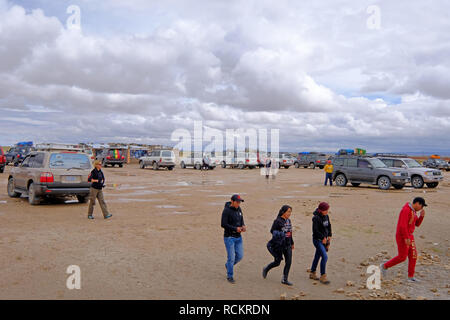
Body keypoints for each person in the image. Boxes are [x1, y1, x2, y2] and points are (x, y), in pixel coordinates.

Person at [380, 197, 427, 282]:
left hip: (409, 236)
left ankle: (411, 276)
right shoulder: (406, 210)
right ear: (417, 203)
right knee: (402, 257)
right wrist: (406, 237)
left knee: (413, 256)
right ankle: (384, 266)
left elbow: (417, 224)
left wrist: (421, 217)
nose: (421, 208)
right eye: (422, 206)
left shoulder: (413, 211)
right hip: (403, 236)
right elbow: (402, 226)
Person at [263, 205, 294, 286]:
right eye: (288, 211)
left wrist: (292, 243)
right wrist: (280, 234)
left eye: (290, 212)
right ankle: (266, 268)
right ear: (283, 212)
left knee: (289, 262)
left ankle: (285, 279)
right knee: (277, 262)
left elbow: (290, 233)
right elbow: (272, 231)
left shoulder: (288, 221)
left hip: (288, 244)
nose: (289, 213)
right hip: (279, 246)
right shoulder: (277, 221)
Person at [221, 194, 246, 283]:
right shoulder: (226, 211)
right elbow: (223, 224)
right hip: (229, 238)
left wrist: (243, 225)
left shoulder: (239, 209)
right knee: (231, 258)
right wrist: (235, 228)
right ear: (232, 201)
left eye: (240, 202)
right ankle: (230, 276)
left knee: (240, 256)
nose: (238, 204)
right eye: (237, 202)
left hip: (238, 238)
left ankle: (228, 265)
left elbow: (241, 218)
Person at [309, 202, 332, 284]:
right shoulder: (316, 218)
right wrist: (322, 237)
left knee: (317, 256)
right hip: (317, 240)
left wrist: (329, 235)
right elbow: (315, 231)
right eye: (325, 210)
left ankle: (312, 272)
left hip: (324, 240)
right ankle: (323, 276)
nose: (327, 211)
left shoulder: (326, 216)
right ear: (321, 210)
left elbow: (329, 225)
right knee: (325, 257)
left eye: (327, 210)